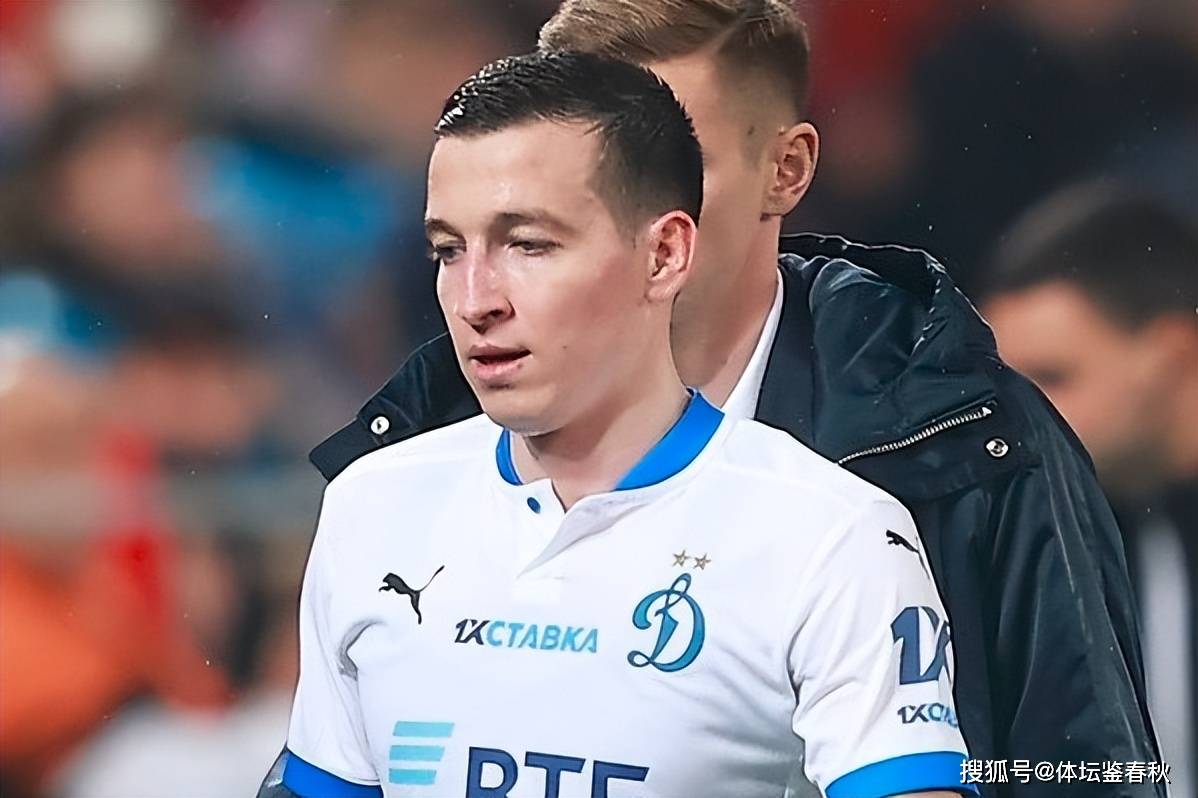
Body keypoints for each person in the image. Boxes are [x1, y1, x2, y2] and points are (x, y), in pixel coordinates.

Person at [297, 3, 1161, 796]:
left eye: (676, 160)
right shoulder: (427, 442)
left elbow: (1083, 769)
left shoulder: (961, 434)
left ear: (787, 169)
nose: (637, 191)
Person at [983, 183, 1198, 798]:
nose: (1017, 418)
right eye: (1005, 384)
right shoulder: (1059, 540)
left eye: (1052, 378)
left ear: (1172, 355)